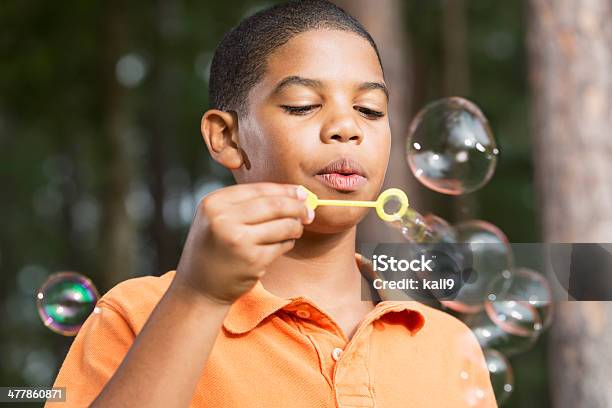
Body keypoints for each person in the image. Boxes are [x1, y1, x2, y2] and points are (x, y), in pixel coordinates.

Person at [48, 1, 495, 406]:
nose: (347, 127)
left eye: (370, 110)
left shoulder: (447, 345)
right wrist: (199, 298)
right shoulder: (138, 315)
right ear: (226, 137)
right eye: (303, 105)